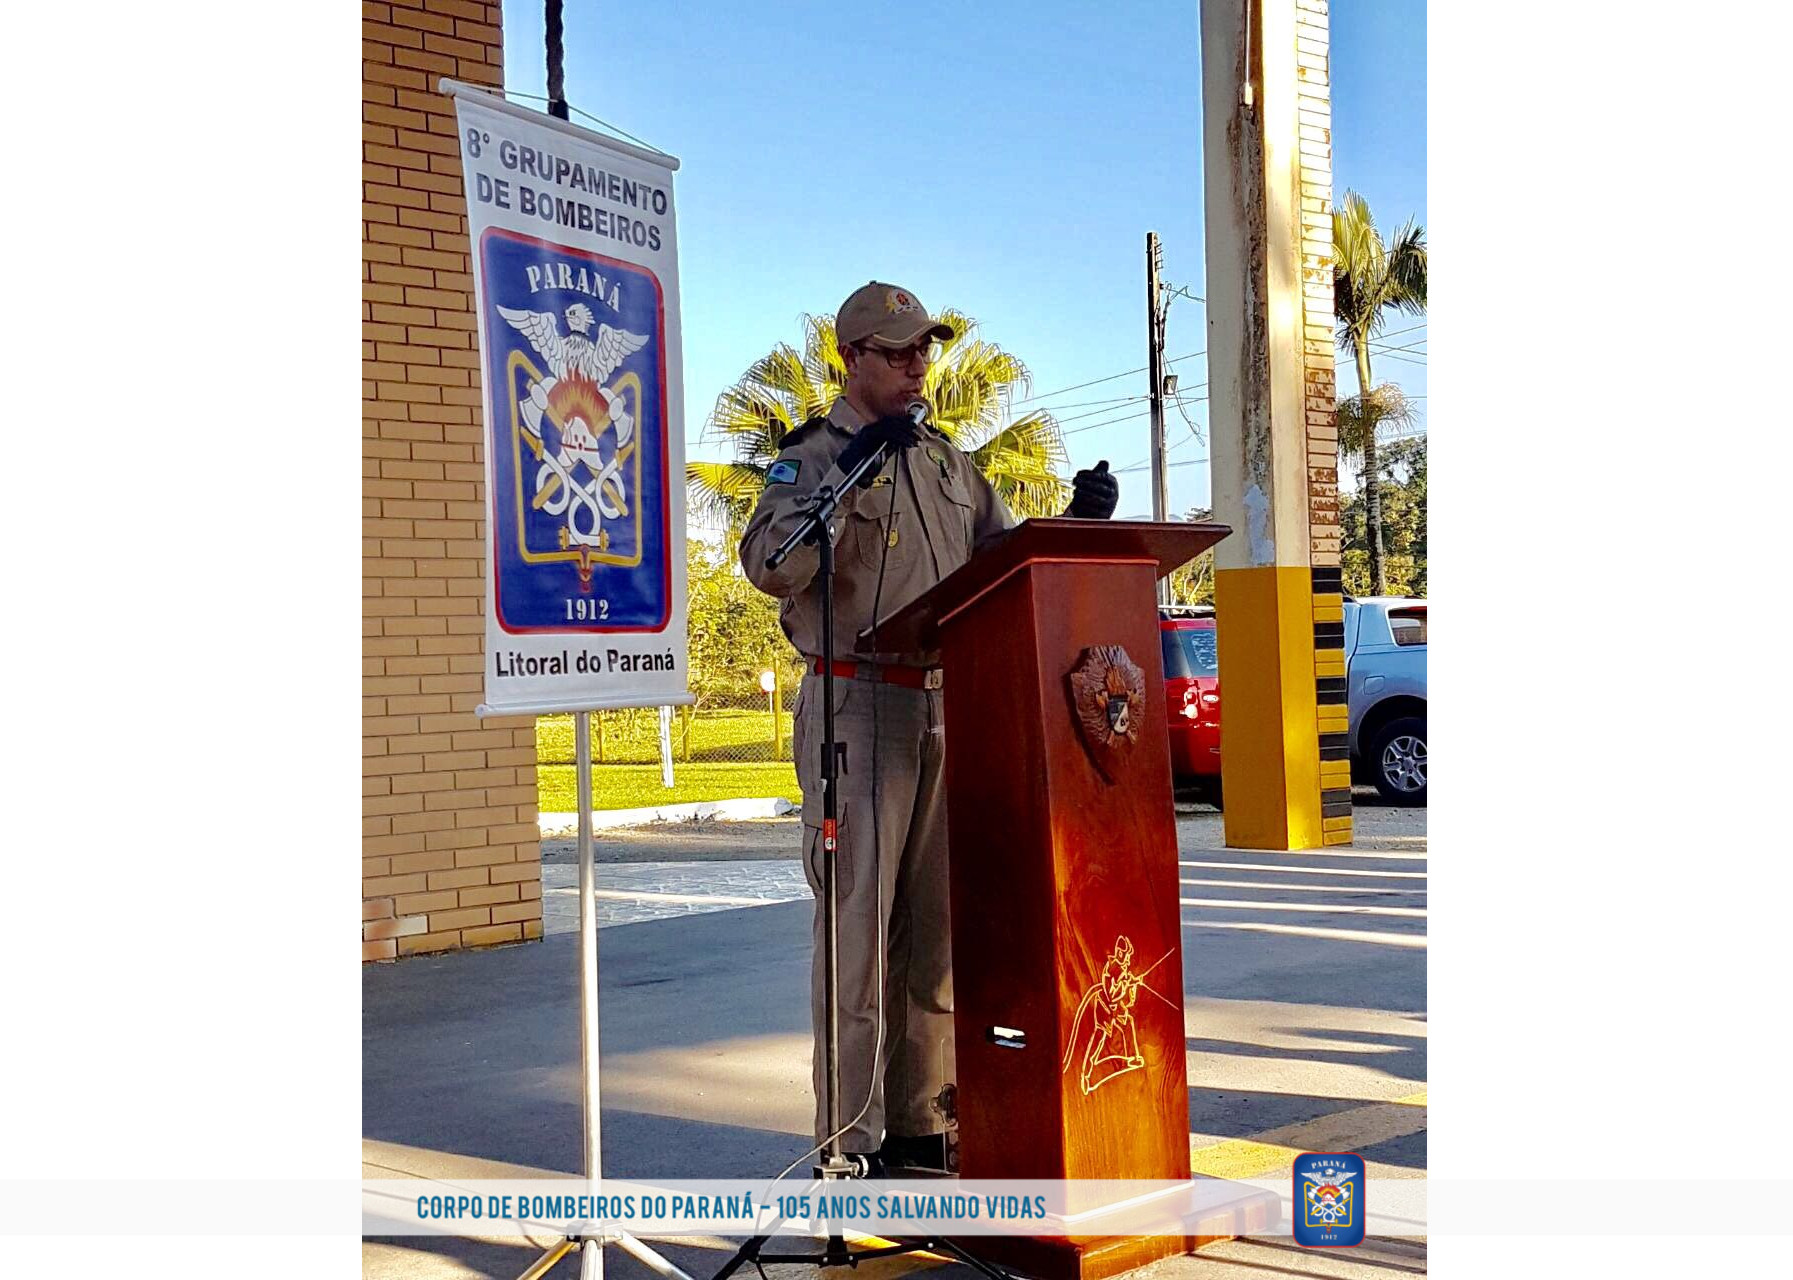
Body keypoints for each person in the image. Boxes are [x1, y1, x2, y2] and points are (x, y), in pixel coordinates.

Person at [740, 281, 1118, 1174]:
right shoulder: (813, 457)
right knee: (858, 939)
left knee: (937, 936)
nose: (917, 367)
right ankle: (848, 1144)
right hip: (856, 707)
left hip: (945, 702)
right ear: (851, 359)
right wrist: (849, 478)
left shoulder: (947, 463)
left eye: (923, 351)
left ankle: (921, 1123)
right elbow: (770, 565)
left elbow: (999, 563)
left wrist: (1072, 528)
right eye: (898, 351)